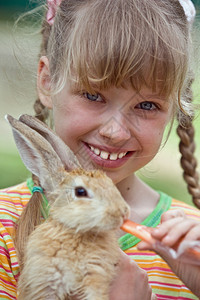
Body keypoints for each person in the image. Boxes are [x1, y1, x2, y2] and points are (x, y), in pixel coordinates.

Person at [0, 0, 200, 299]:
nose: (115, 132)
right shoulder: (5, 227)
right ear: (47, 80)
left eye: (147, 105)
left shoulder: (189, 243)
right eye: (93, 95)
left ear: (177, 107)